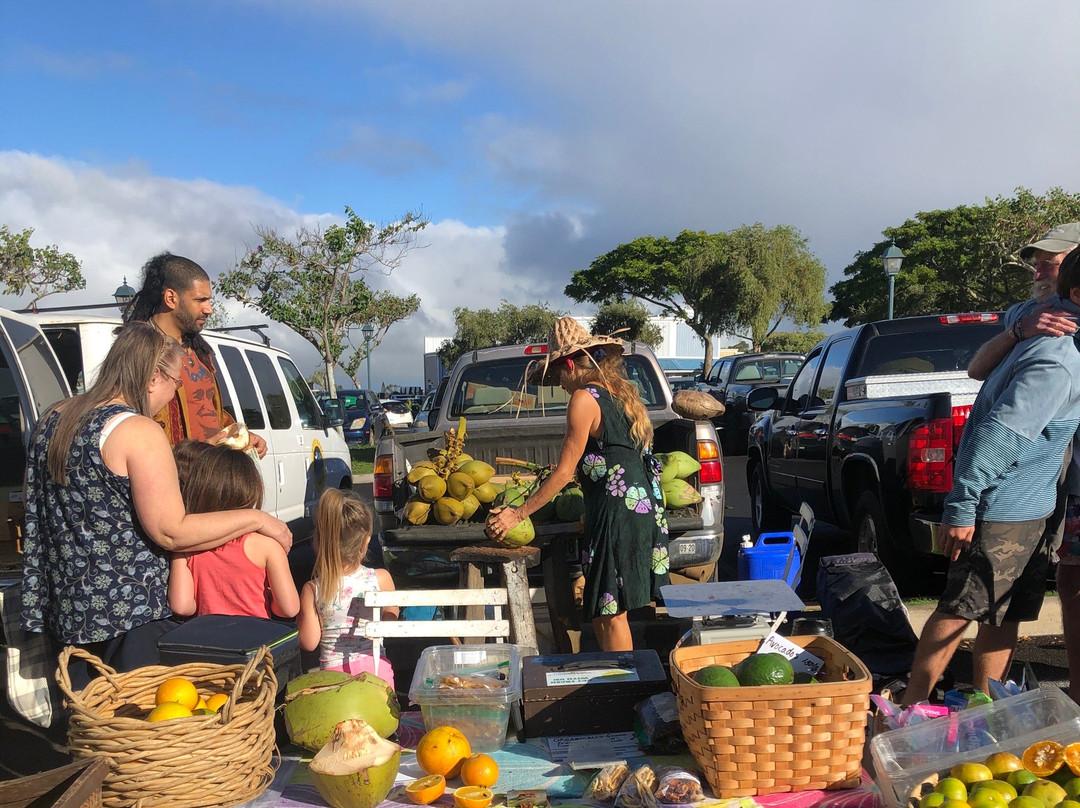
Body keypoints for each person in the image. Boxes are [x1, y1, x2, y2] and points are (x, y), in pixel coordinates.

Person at [21, 323, 291, 685]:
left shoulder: (53, 418)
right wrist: (256, 519)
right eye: (175, 382)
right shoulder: (137, 430)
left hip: (69, 612)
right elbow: (171, 531)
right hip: (133, 617)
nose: (173, 392)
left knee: (88, 716)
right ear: (153, 378)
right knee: (144, 718)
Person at [903, 250, 1080, 705]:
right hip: (1002, 511)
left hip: (1033, 509)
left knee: (1004, 616)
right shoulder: (1058, 359)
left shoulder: (1047, 321)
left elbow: (1020, 312)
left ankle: (985, 713)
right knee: (960, 610)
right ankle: (907, 711)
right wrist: (961, 507)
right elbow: (998, 437)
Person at [484, 317, 670, 652]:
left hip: (618, 512)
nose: (560, 384)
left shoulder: (584, 398)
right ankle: (616, 673)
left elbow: (563, 473)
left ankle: (626, 678)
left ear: (569, 365)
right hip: (635, 507)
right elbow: (615, 459)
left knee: (612, 614)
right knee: (603, 609)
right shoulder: (619, 393)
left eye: (558, 375)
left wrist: (517, 514)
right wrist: (592, 510)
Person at [124, 251, 267, 458]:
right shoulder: (138, 351)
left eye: (209, 300)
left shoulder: (200, 351)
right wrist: (189, 455)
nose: (209, 309)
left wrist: (238, 436)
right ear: (171, 298)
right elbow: (125, 428)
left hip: (211, 472)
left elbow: (207, 410)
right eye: (200, 300)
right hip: (170, 472)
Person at [167, 441, 300, 620]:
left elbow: (182, 606)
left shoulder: (187, 547)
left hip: (209, 635)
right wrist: (267, 599)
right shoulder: (268, 546)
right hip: (256, 635)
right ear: (252, 490)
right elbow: (289, 609)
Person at [297, 488, 398, 688]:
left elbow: (309, 642)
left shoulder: (313, 589)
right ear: (365, 542)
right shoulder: (381, 578)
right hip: (377, 673)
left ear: (320, 542)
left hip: (333, 679)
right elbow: (391, 619)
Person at [967, 223, 1080, 382]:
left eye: (1048, 264)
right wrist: (1018, 330)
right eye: (1036, 265)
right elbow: (976, 371)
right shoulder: (1024, 312)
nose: (1037, 276)